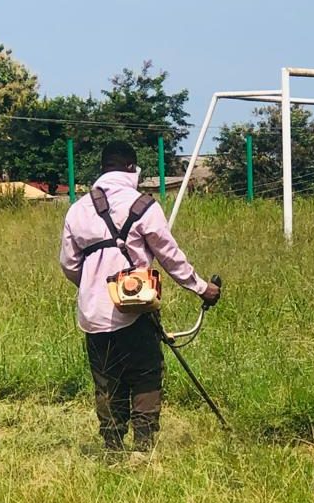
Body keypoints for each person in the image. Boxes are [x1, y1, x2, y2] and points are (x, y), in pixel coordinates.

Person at [60, 141, 220, 452]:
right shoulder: (144, 206)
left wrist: (95, 287)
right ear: (132, 169)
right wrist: (203, 288)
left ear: (104, 169)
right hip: (135, 309)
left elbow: (68, 264)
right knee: (145, 373)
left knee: (107, 379)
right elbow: (170, 256)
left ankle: (113, 445)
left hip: (92, 314)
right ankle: (144, 446)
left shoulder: (77, 210)